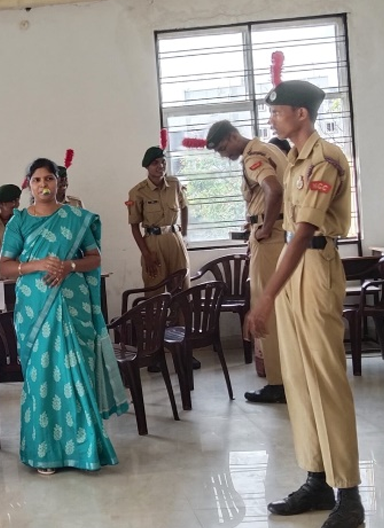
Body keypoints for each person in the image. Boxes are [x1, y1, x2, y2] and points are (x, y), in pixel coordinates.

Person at [245, 80, 363, 528]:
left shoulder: (324, 159)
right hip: (293, 267)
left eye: (278, 111)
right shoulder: (293, 158)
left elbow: (305, 232)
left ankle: (349, 494)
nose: (272, 118)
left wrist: (266, 297)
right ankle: (317, 479)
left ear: (301, 114)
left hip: (314, 268)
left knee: (325, 380)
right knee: (297, 379)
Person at [0, 159, 128, 475]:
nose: (43, 185)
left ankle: (85, 449)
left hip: (73, 305)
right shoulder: (19, 222)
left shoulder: (75, 217)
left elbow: (94, 257)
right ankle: (45, 452)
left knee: (77, 373)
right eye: (37, 179)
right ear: (28, 184)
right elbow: (3, 267)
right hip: (34, 309)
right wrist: (39, 265)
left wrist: (68, 266)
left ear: (58, 182)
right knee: (42, 376)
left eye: (49, 179)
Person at [204, 120, 287, 403]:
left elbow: (274, 190)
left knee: (266, 308)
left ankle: (278, 382)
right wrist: (256, 219)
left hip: (270, 240)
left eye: (223, 147)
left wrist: (265, 227)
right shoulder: (270, 149)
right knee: (282, 308)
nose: (223, 154)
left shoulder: (253, 157)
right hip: (284, 237)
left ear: (232, 136)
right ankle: (290, 376)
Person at [127, 142, 191, 294]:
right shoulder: (138, 192)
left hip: (175, 239)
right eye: (155, 163)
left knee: (181, 289)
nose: (161, 166)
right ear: (147, 167)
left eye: (163, 162)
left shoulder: (174, 184)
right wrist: (146, 254)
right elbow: (134, 227)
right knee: (154, 291)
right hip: (153, 244)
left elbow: (184, 206)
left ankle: (181, 312)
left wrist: (184, 234)